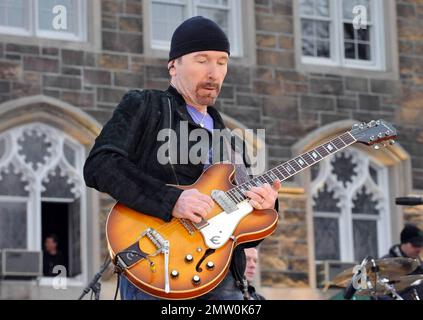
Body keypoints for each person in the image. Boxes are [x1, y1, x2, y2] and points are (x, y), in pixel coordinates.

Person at [84, 16, 280, 300]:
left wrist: (266, 206)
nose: (214, 72)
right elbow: (100, 165)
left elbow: (247, 233)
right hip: (156, 266)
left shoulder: (233, 144)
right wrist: (171, 200)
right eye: (202, 60)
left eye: (222, 62)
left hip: (222, 280)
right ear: (173, 65)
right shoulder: (146, 106)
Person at [380, 224, 423, 300]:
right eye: (415, 245)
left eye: (421, 245)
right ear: (404, 243)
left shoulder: (420, 266)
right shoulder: (385, 265)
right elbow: (378, 293)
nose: (419, 249)